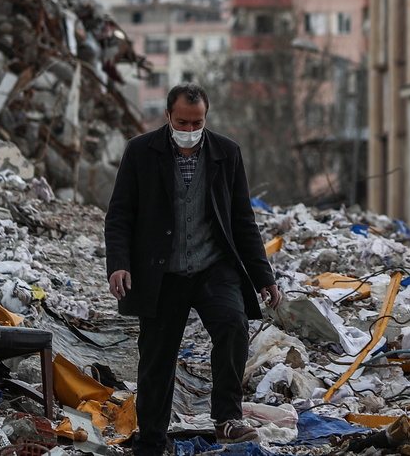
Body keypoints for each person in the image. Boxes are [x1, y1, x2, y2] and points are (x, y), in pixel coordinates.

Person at [104, 82, 281, 456]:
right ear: (168, 116)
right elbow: (120, 214)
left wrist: (263, 276)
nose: (189, 130)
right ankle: (153, 438)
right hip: (162, 272)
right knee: (157, 355)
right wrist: (118, 264)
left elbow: (242, 220)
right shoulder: (141, 152)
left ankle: (227, 419)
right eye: (181, 122)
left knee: (233, 326)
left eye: (196, 122)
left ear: (206, 118)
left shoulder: (226, 153)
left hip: (212, 267)